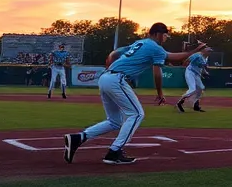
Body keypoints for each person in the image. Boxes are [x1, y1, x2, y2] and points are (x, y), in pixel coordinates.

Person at [63, 24, 206, 165]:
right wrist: (160, 93)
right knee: (136, 114)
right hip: (117, 79)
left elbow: (117, 52)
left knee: (115, 121)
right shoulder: (155, 47)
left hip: (106, 77)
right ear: (157, 34)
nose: (166, 38)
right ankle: (114, 151)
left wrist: (110, 61)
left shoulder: (140, 42)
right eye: (165, 35)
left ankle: (79, 137)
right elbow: (164, 66)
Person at [177, 45, 211, 112]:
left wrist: (205, 72)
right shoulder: (197, 55)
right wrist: (183, 67)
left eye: (210, 51)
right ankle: (180, 103)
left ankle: (196, 105)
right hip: (190, 72)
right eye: (208, 51)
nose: (209, 52)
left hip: (197, 74)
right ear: (203, 51)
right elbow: (187, 60)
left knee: (200, 88)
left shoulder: (206, 57)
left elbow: (202, 66)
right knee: (192, 89)